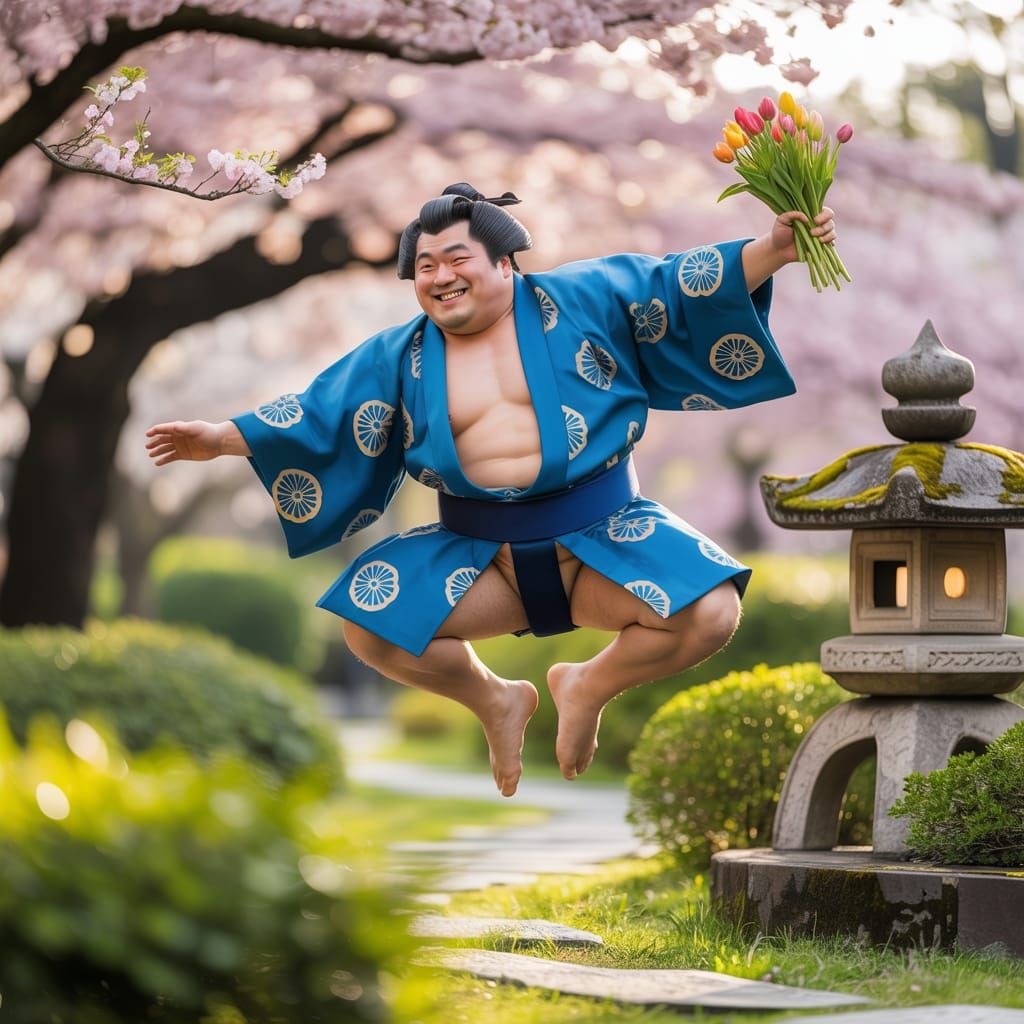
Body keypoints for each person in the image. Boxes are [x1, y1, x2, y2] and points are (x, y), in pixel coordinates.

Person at [146, 182, 836, 797]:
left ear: (505, 263)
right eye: (424, 266)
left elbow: (678, 285)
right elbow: (321, 411)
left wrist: (771, 250)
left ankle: (585, 683)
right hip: (481, 554)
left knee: (711, 612)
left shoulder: (585, 298)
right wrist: (221, 438)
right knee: (368, 624)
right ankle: (496, 700)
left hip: (603, 535)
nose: (440, 276)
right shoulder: (400, 354)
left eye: (455, 259)